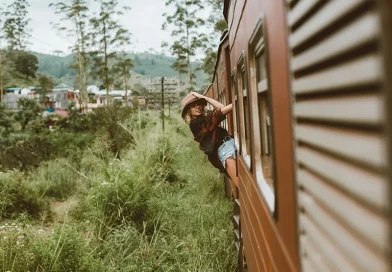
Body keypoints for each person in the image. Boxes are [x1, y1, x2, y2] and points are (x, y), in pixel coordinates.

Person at [181, 91, 238, 197]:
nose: (197, 107)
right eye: (193, 106)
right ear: (188, 111)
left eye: (199, 104)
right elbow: (221, 111)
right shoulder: (195, 124)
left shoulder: (203, 119)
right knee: (243, 186)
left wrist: (204, 98)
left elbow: (221, 108)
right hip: (225, 151)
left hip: (230, 143)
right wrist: (238, 101)